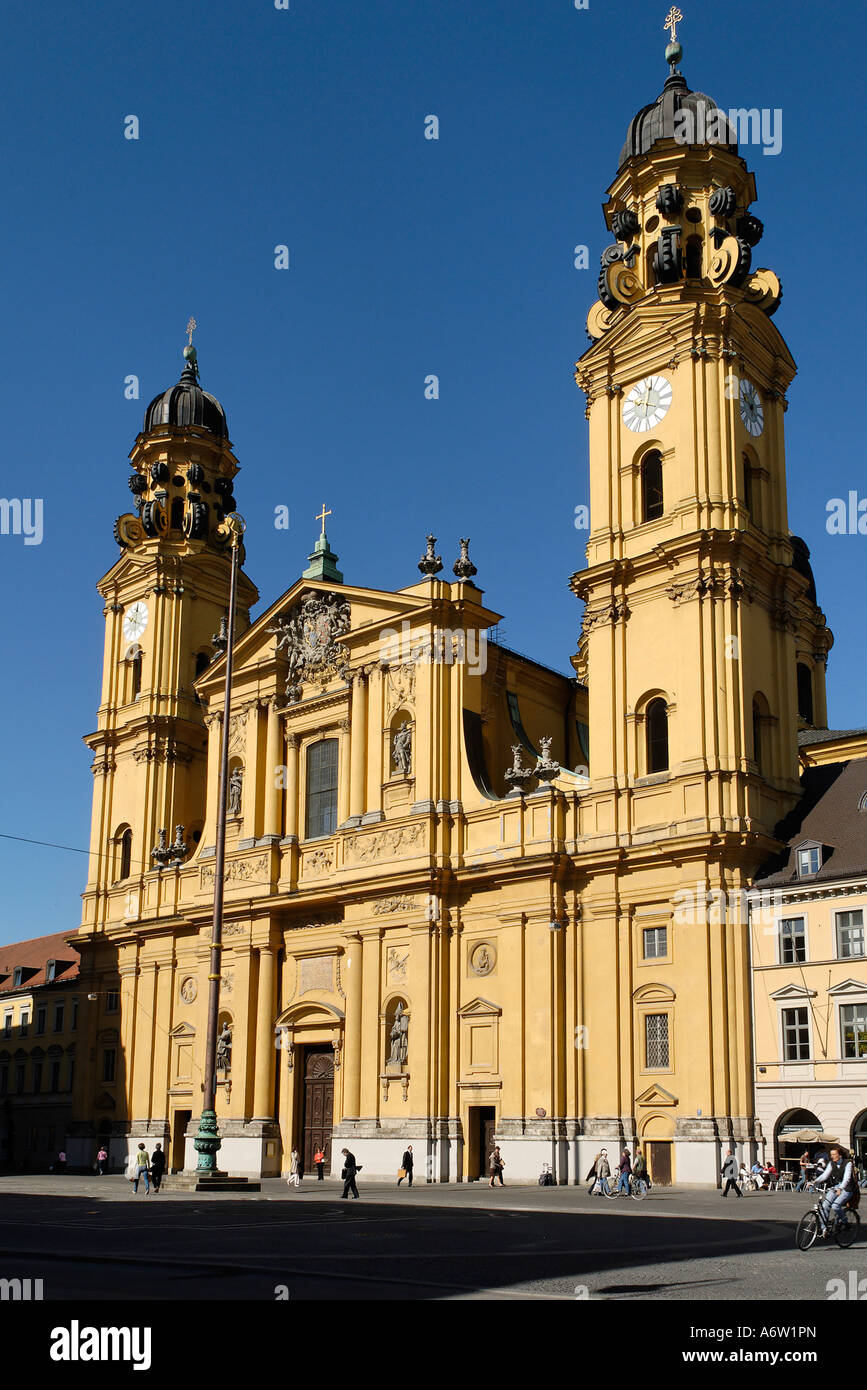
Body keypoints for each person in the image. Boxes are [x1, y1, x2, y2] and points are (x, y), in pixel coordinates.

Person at [814, 1146, 858, 1227]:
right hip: (837, 1187)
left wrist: (841, 1188)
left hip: (847, 1188)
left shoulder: (848, 1163)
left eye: (834, 1154)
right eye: (831, 1154)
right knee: (825, 1205)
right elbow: (825, 1175)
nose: (832, 1156)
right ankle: (824, 1228)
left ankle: (845, 1222)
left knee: (835, 1206)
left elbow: (847, 1178)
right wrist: (815, 1181)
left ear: (840, 1155)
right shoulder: (831, 1163)